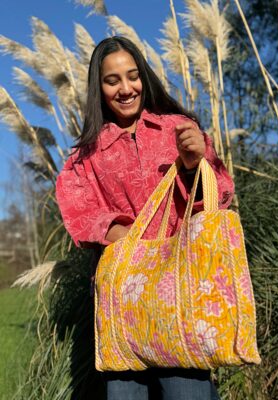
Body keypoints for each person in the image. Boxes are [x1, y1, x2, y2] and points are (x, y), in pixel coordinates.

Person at [56, 36, 234, 400]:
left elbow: (221, 196)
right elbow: (76, 206)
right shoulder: (86, 155)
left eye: (132, 76)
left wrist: (195, 164)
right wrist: (120, 234)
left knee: (187, 391)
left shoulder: (177, 129)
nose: (125, 89)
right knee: (125, 394)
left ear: (144, 77)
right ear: (99, 87)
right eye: (112, 80)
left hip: (180, 286)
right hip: (123, 296)